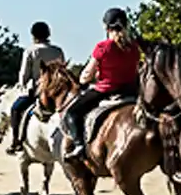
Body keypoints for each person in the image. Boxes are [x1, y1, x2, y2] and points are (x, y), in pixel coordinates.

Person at [61, 8, 141, 162]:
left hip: (106, 90)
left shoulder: (103, 47)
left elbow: (86, 76)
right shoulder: (134, 47)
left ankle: (79, 147)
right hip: (131, 91)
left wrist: (85, 78)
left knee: (72, 113)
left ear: (106, 27)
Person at [7, 21, 66, 155]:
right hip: (58, 93)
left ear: (33, 35)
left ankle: (16, 141)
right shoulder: (58, 50)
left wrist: (22, 85)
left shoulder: (31, 51)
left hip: (39, 91)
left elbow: (24, 74)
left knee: (16, 109)